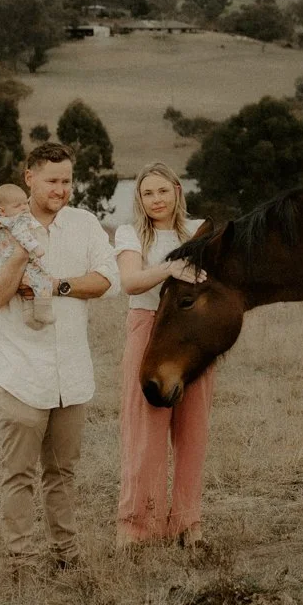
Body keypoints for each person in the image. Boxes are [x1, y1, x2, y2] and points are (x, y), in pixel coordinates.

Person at [0, 143, 119, 574]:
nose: (61, 189)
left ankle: (66, 555)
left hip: (71, 374)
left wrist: (56, 285)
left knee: (62, 472)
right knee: (18, 473)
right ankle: (19, 558)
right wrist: (21, 251)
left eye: (67, 181)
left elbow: (109, 281)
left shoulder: (85, 224)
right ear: (29, 177)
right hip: (20, 372)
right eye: (52, 181)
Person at [112, 163, 211, 546]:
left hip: (192, 335)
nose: (156, 200)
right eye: (147, 193)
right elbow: (130, 281)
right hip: (148, 329)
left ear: (177, 190)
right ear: (139, 198)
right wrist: (173, 268)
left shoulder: (200, 230)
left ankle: (188, 523)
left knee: (193, 430)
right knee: (145, 430)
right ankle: (136, 526)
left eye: (162, 191)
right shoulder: (131, 233)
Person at [0, 182, 55, 328]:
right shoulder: (19, 220)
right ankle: (44, 311)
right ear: (2, 210)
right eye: (18, 205)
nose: (24, 208)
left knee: (25, 290)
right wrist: (36, 248)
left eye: (25, 203)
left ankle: (28, 314)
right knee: (43, 279)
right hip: (27, 260)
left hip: (8, 262)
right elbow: (22, 236)